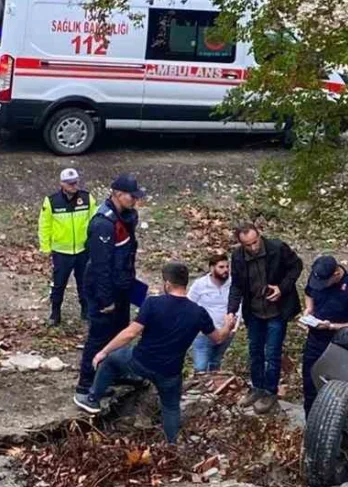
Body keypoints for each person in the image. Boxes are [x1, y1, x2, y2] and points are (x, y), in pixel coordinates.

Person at [74, 262, 232, 442]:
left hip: (140, 362)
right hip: (170, 372)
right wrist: (228, 325)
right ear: (185, 283)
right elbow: (218, 338)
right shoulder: (198, 312)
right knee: (171, 408)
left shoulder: (153, 303)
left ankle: (93, 399)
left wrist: (103, 351)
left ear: (167, 284)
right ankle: (172, 444)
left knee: (111, 361)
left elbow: (130, 333)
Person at [76, 174, 144, 402]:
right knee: (99, 336)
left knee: (120, 332)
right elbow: (100, 266)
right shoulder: (103, 224)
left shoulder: (125, 217)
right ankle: (86, 384)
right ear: (117, 194)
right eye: (131, 196)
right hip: (104, 289)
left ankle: (114, 372)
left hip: (123, 285)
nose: (135, 200)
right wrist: (105, 299)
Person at [224, 222, 303, 415]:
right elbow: (236, 286)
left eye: (255, 242)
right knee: (255, 351)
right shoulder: (238, 257)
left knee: (272, 353)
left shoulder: (277, 248)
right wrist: (231, 311)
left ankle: (270, 391)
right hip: (254, 311)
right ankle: (257, 387)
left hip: (277, 310)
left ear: (259, 235)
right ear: (241, 244)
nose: (253, 247)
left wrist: (281, 288)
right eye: (248, 245)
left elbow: (296, 266)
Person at [300, 256, 348, 415]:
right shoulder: (318, 277)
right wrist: (309, 310)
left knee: (335, 392)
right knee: (310, 385)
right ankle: (310, 421)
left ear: (336, 274)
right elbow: (309, 293)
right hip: (315, 341)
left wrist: (331, 326)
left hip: (339, 346)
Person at [37, 168, 96, 326]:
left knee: (84, 282)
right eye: (70, 183)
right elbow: (44, 226)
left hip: (83, 250)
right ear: (62, 184)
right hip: (61, 252)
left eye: (75, 182)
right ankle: (55, 313)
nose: (73, 186)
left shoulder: (87, 198)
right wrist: (45, 247)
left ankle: (86, 311)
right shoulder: (51, 201)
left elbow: (95, 222)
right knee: (59, 284)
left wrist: (93, 244)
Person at [187, 253, 238, 374]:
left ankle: (213, 385)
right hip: (204, 333)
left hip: (226, 331)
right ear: (212, 268)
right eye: (221, 267)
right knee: (201, 367)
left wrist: (233, 327)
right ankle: (199, 385)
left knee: (215, 363)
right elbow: (189, 304)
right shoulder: (200, 284)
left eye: (227, 267)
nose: (225, 270)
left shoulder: (233, 284)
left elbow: (238, 304)